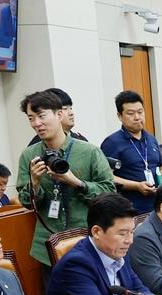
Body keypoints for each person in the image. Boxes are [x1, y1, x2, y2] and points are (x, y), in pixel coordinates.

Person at [16, 90, 115, 283]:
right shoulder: (29, 156)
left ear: (59, 114)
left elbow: (110, 193)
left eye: (42, 116)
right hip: (48, 247)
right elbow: (26, 202)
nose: (37, 123)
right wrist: (34, 183)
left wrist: (76, 183)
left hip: (88, 240)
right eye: (31, 118)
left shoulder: (89, 151)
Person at [101, 91, 162, 213]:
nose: (137, 117)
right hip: (130, 209)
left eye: (140, 112)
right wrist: (136, 186)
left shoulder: (151, 139)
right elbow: (106, 177)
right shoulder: (112, 142)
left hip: (156, 207)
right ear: (119, 116)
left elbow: (160, 167)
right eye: (131, 113)